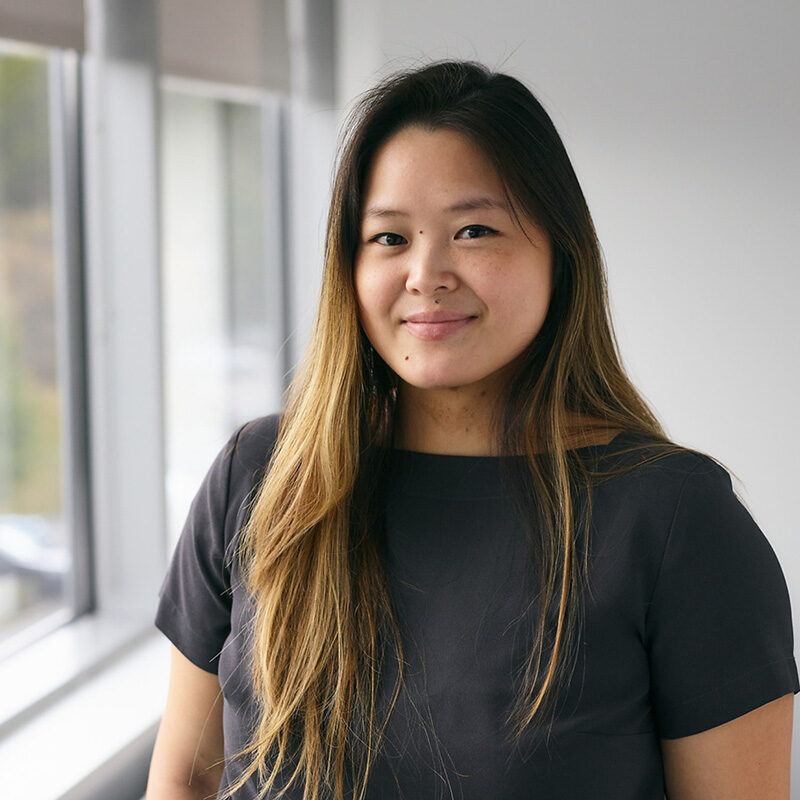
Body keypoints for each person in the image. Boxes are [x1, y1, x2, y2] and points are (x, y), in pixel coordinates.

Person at [147, 59, 799, 800]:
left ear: (560, 251)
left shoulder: (677, 518)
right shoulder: (262, 475)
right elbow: (186, 781)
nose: (427, 272)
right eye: (389, 238)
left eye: (475, 230)